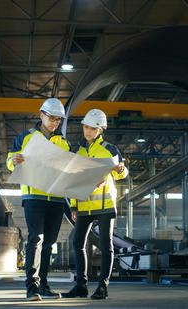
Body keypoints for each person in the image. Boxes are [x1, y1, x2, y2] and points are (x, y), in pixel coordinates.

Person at [6, 98, 69, 301]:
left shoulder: (64, 143)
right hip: (34, 196)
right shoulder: (25, 137)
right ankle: (31, 287)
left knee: (49, 243)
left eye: (58, 120)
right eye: (52, 118)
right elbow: (10, 161)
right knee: (36, 240)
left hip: (57, 198)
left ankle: (43, 285)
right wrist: (12, 161)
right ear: (41, 114)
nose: (55, 122)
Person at [62, 109, 128, 300]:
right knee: (77, 243)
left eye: (92, 128)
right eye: (86, 127)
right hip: (83, 205)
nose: (88, 131)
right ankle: (81, 286)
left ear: (100, 130)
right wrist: (73, 206)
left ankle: (102, 287)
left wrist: (121, 169)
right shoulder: (79, 152)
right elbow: (74, 181)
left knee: (106, 245)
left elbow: (121, 173)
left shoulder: (110, 149)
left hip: (104, 204)